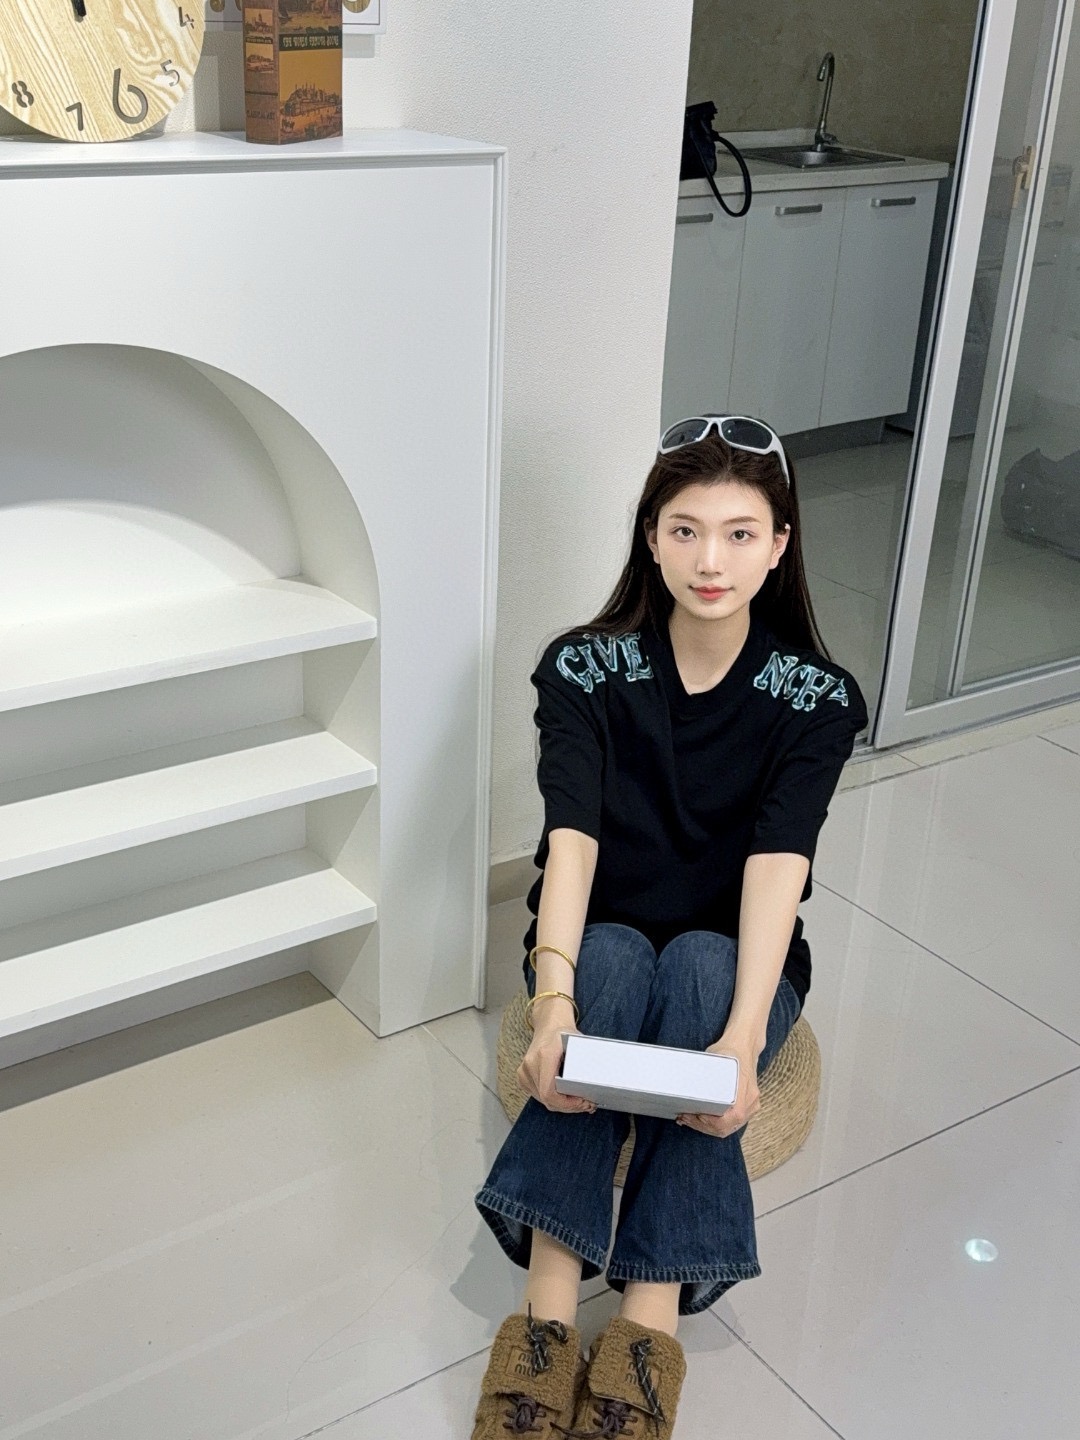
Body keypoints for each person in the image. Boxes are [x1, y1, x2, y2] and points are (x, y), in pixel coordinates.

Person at [469, 415, 868, 1439]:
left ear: (780, 546)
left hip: (730, 957)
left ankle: (646, 1328)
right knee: (608, 957)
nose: (710, 561)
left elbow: (779, 869)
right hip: (601, 936)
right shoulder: (584, 668)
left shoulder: (816, 699)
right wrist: (552, 1005)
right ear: (650, 537)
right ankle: (547, 1317)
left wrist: (741, 1040)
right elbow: (571, 841)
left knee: (697, 966)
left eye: (741, 534)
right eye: (686, 530)